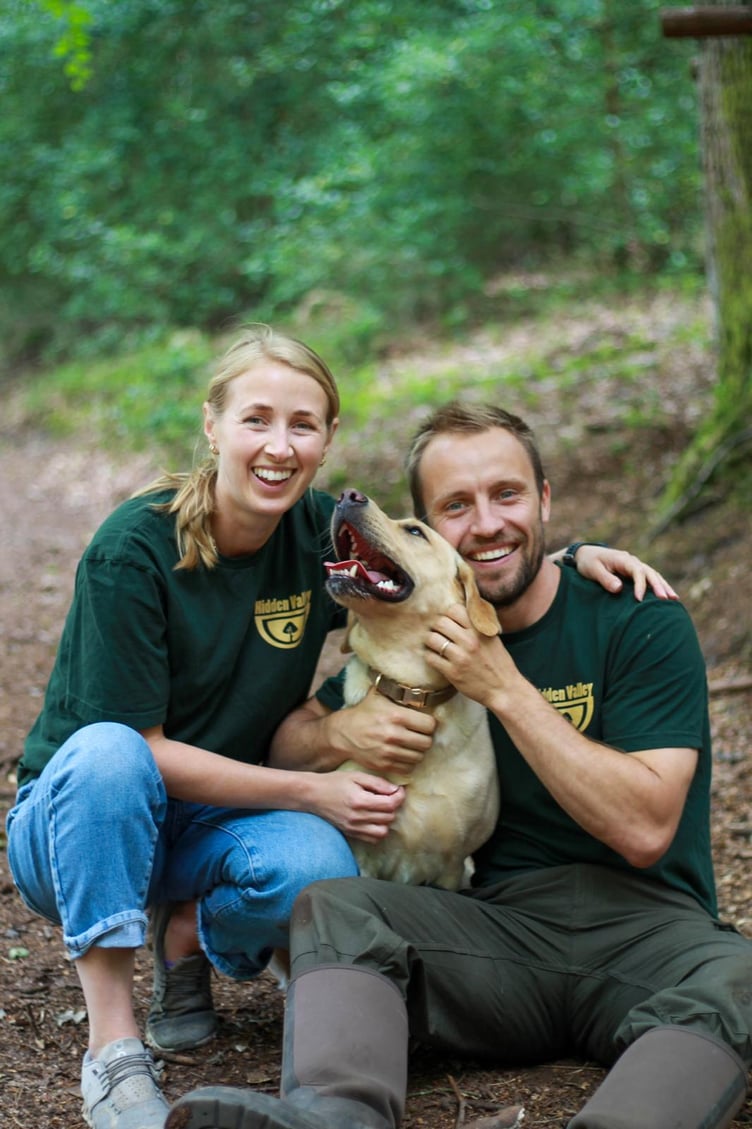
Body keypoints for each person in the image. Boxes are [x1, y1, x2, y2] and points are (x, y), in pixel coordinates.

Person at [5, 335, 663, 1129]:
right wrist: (313, 786)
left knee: (318, 863)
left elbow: (425, 566)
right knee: (112, 755)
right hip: (81, 822)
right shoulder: (133, 547)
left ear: (328, 438)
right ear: (212, 425)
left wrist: (571, 559)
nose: (280, 446)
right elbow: (140, 754)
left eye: (303, 424)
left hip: (212, 822)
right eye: (257, 419)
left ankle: (187, 929)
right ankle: (113, 1048)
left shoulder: (315, 534)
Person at [166, 401, 752, 1129]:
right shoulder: (412, 637)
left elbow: (644, 827)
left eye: (506, 494)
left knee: (739, 976)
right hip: (499, 935)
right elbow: (292, 739)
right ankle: (334, 1114)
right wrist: (344, 731)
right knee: (338, 905)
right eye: (455, 507)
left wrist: (502, 684)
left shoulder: (634, 616)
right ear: (430, 535)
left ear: (544, 500)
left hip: (652, 934)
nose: (486, 524)